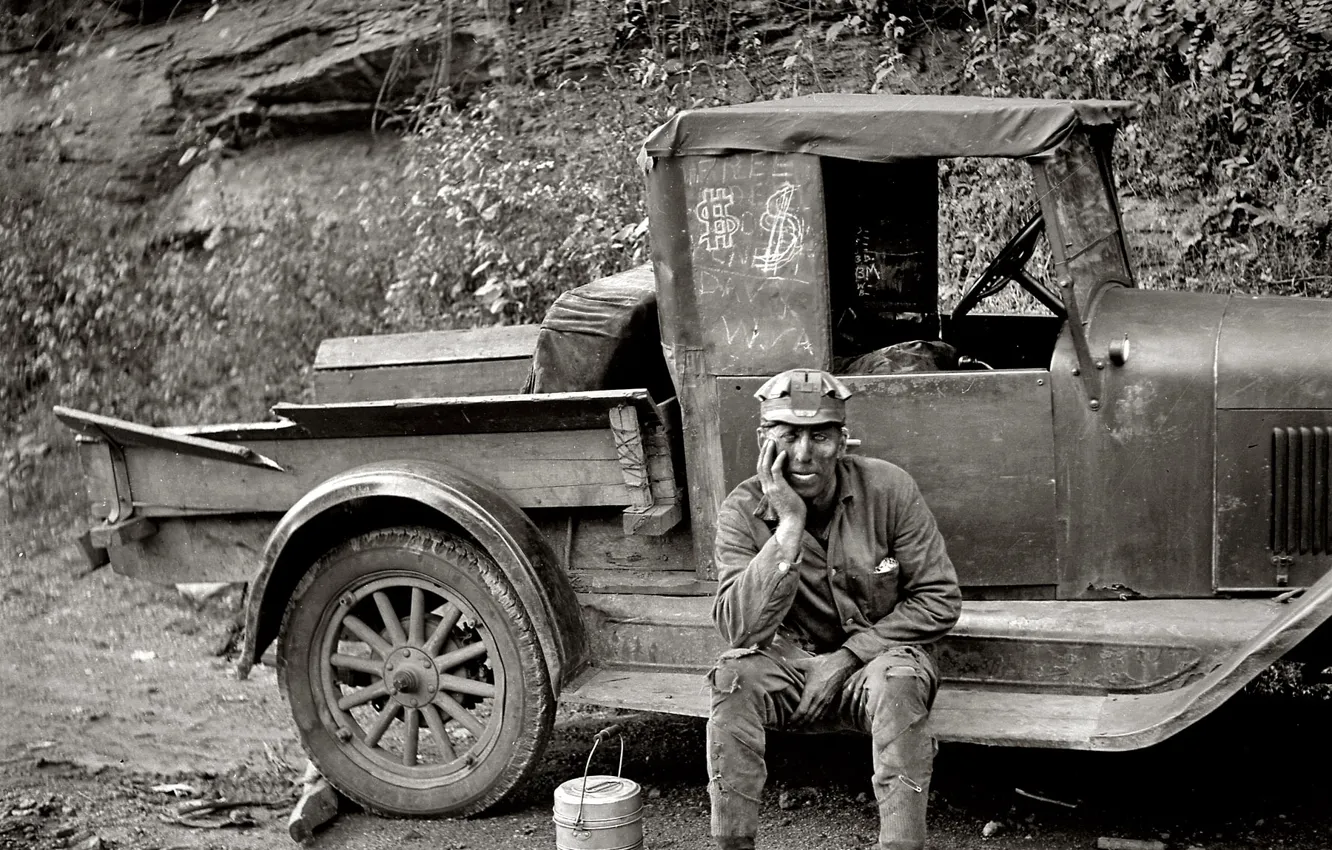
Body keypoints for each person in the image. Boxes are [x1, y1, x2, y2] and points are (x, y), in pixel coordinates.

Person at [707, 368, 962, 850]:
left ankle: (901, 844)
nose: (803, 454)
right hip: (792, 665)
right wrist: (788, 525)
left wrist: (847, 658)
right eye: (788, 436)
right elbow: (738, 629)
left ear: (842, 442)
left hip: (875, 663)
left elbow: (939, 599)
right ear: (765, 441)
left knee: (900, 681)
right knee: (731, 678)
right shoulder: (741, 511)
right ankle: (731, 844)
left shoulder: (889, 489)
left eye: (820, 436)